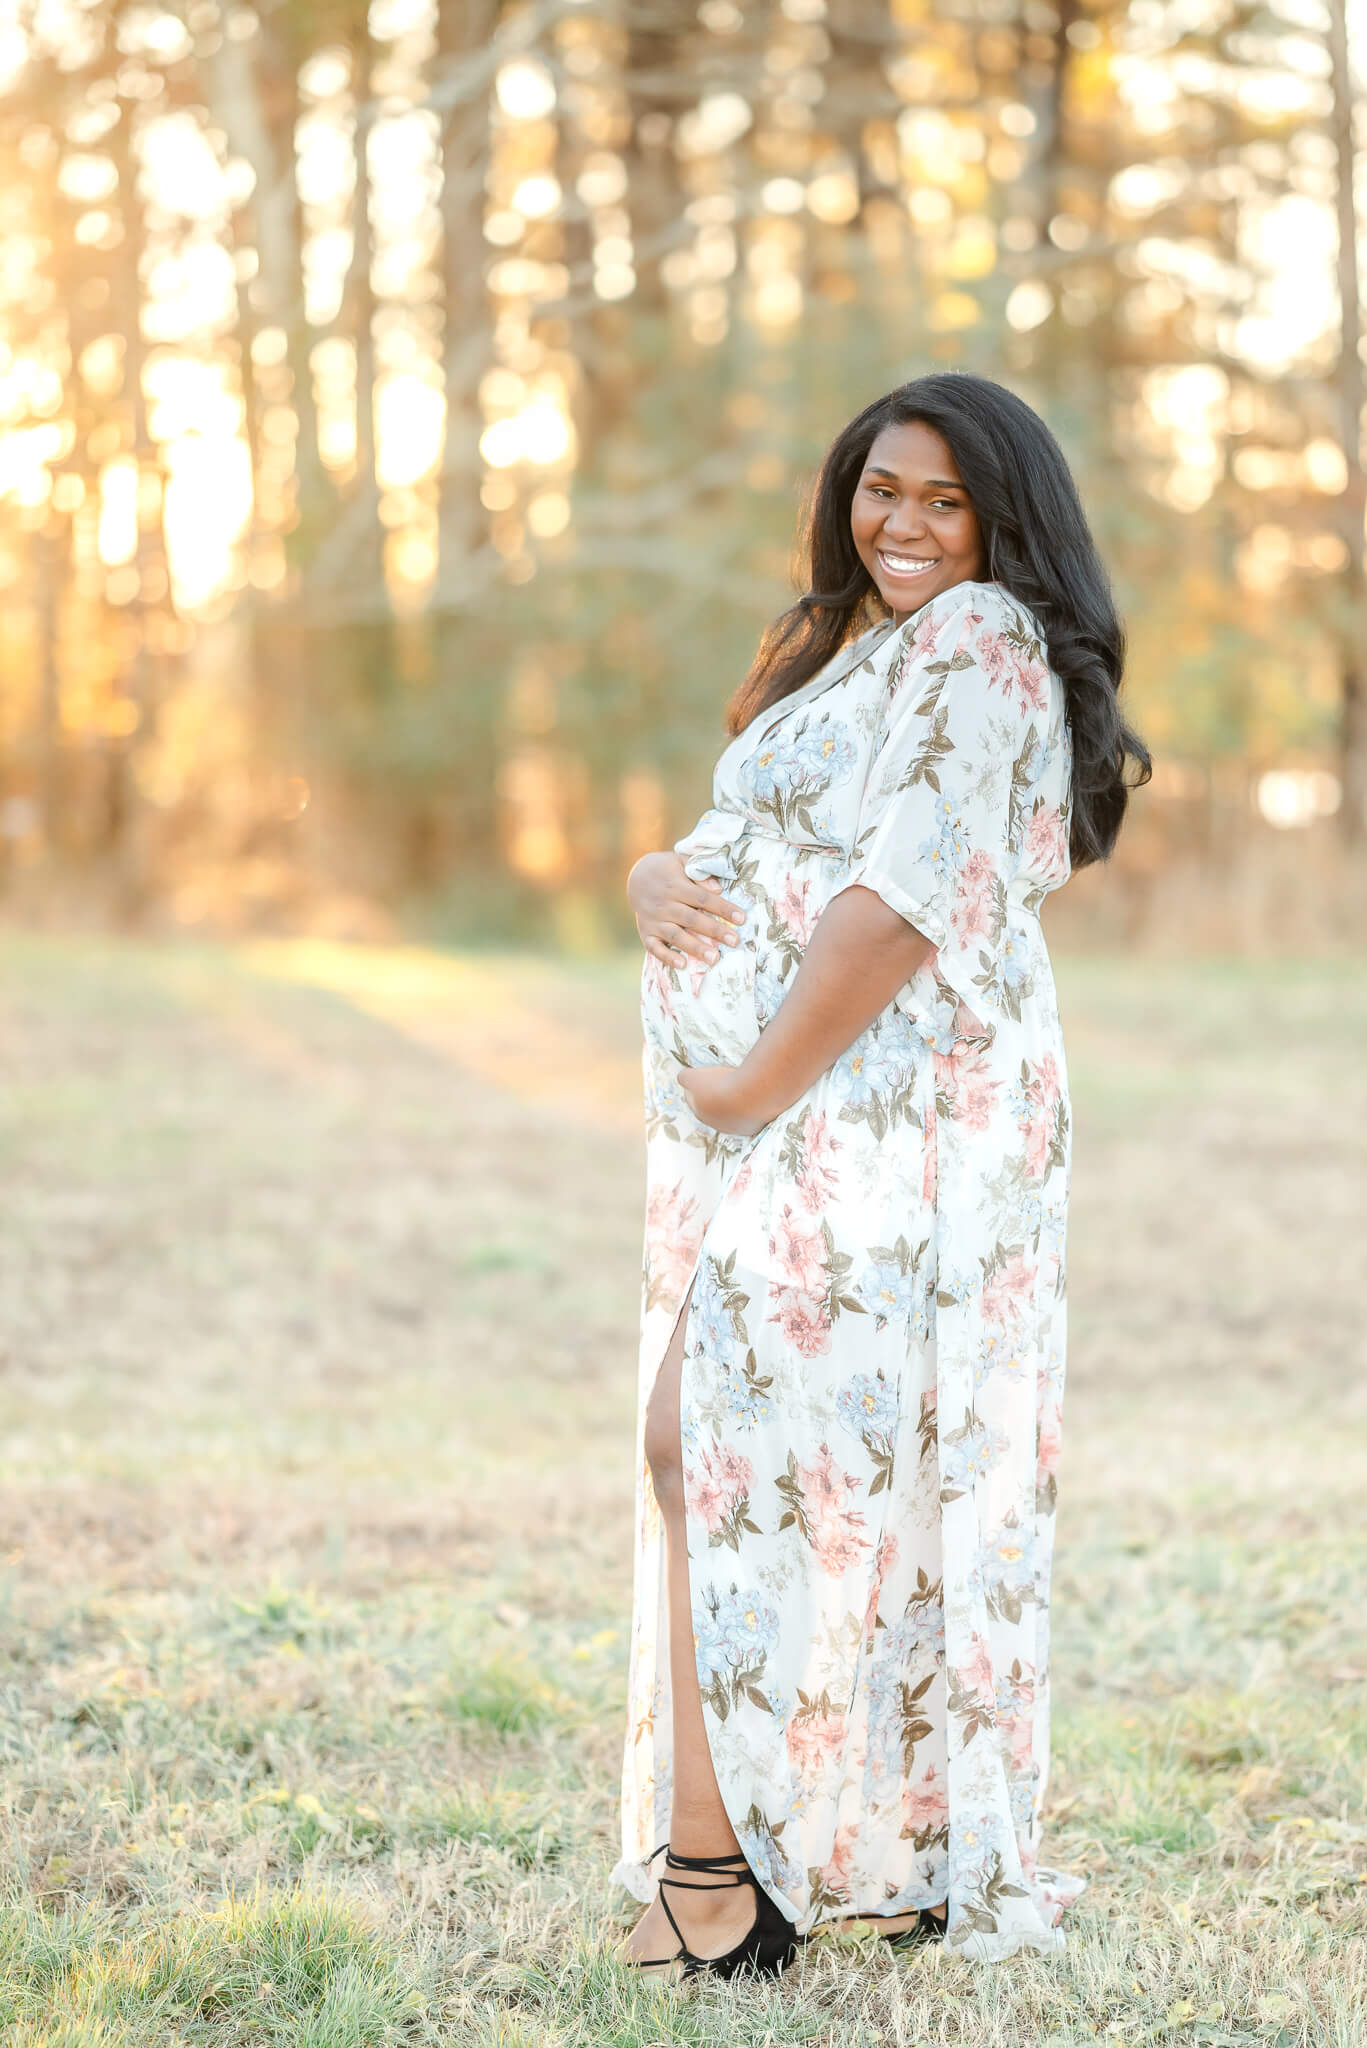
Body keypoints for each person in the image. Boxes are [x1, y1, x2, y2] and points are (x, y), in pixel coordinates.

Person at [613, 371, 1150, 1981]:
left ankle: (720, 1881)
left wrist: (752, 1082)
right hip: (839, 1107)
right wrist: (659, 875)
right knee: (860, 1461)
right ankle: (883, 1861)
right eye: (880, 490)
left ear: (1003, 521)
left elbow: (900, 901)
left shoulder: (983, 643)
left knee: (704, 1433)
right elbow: (773, 842)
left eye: (944, 502)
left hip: (885, 1116)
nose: (904, 525)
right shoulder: (865, 644)